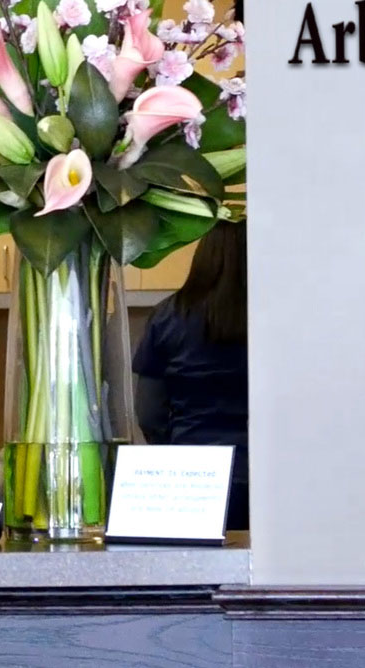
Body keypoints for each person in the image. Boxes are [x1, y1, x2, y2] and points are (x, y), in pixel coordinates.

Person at [132, 222, 249, 530]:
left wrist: (175, 460)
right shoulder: (276, 316)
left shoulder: (167, 315)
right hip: (265, 477)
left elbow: (149, 414)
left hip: (191, 484)